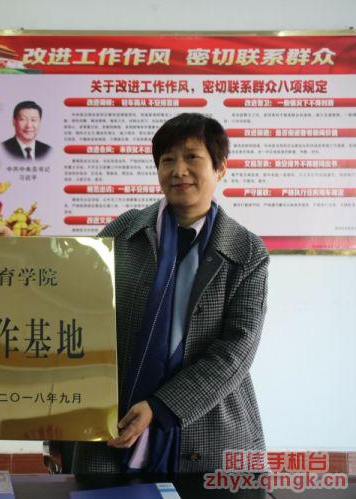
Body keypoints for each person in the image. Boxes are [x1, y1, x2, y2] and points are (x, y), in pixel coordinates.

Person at [72, 113, 269, 474]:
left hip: (210, 430)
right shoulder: (124, 231)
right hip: (113, 420)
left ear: (220, 168)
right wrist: (11, 254)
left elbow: (236, 350)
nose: (179, 170)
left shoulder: (246, 251)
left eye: (192, 157)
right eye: (167, 160)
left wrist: (162, 406)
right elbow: (70, 291)